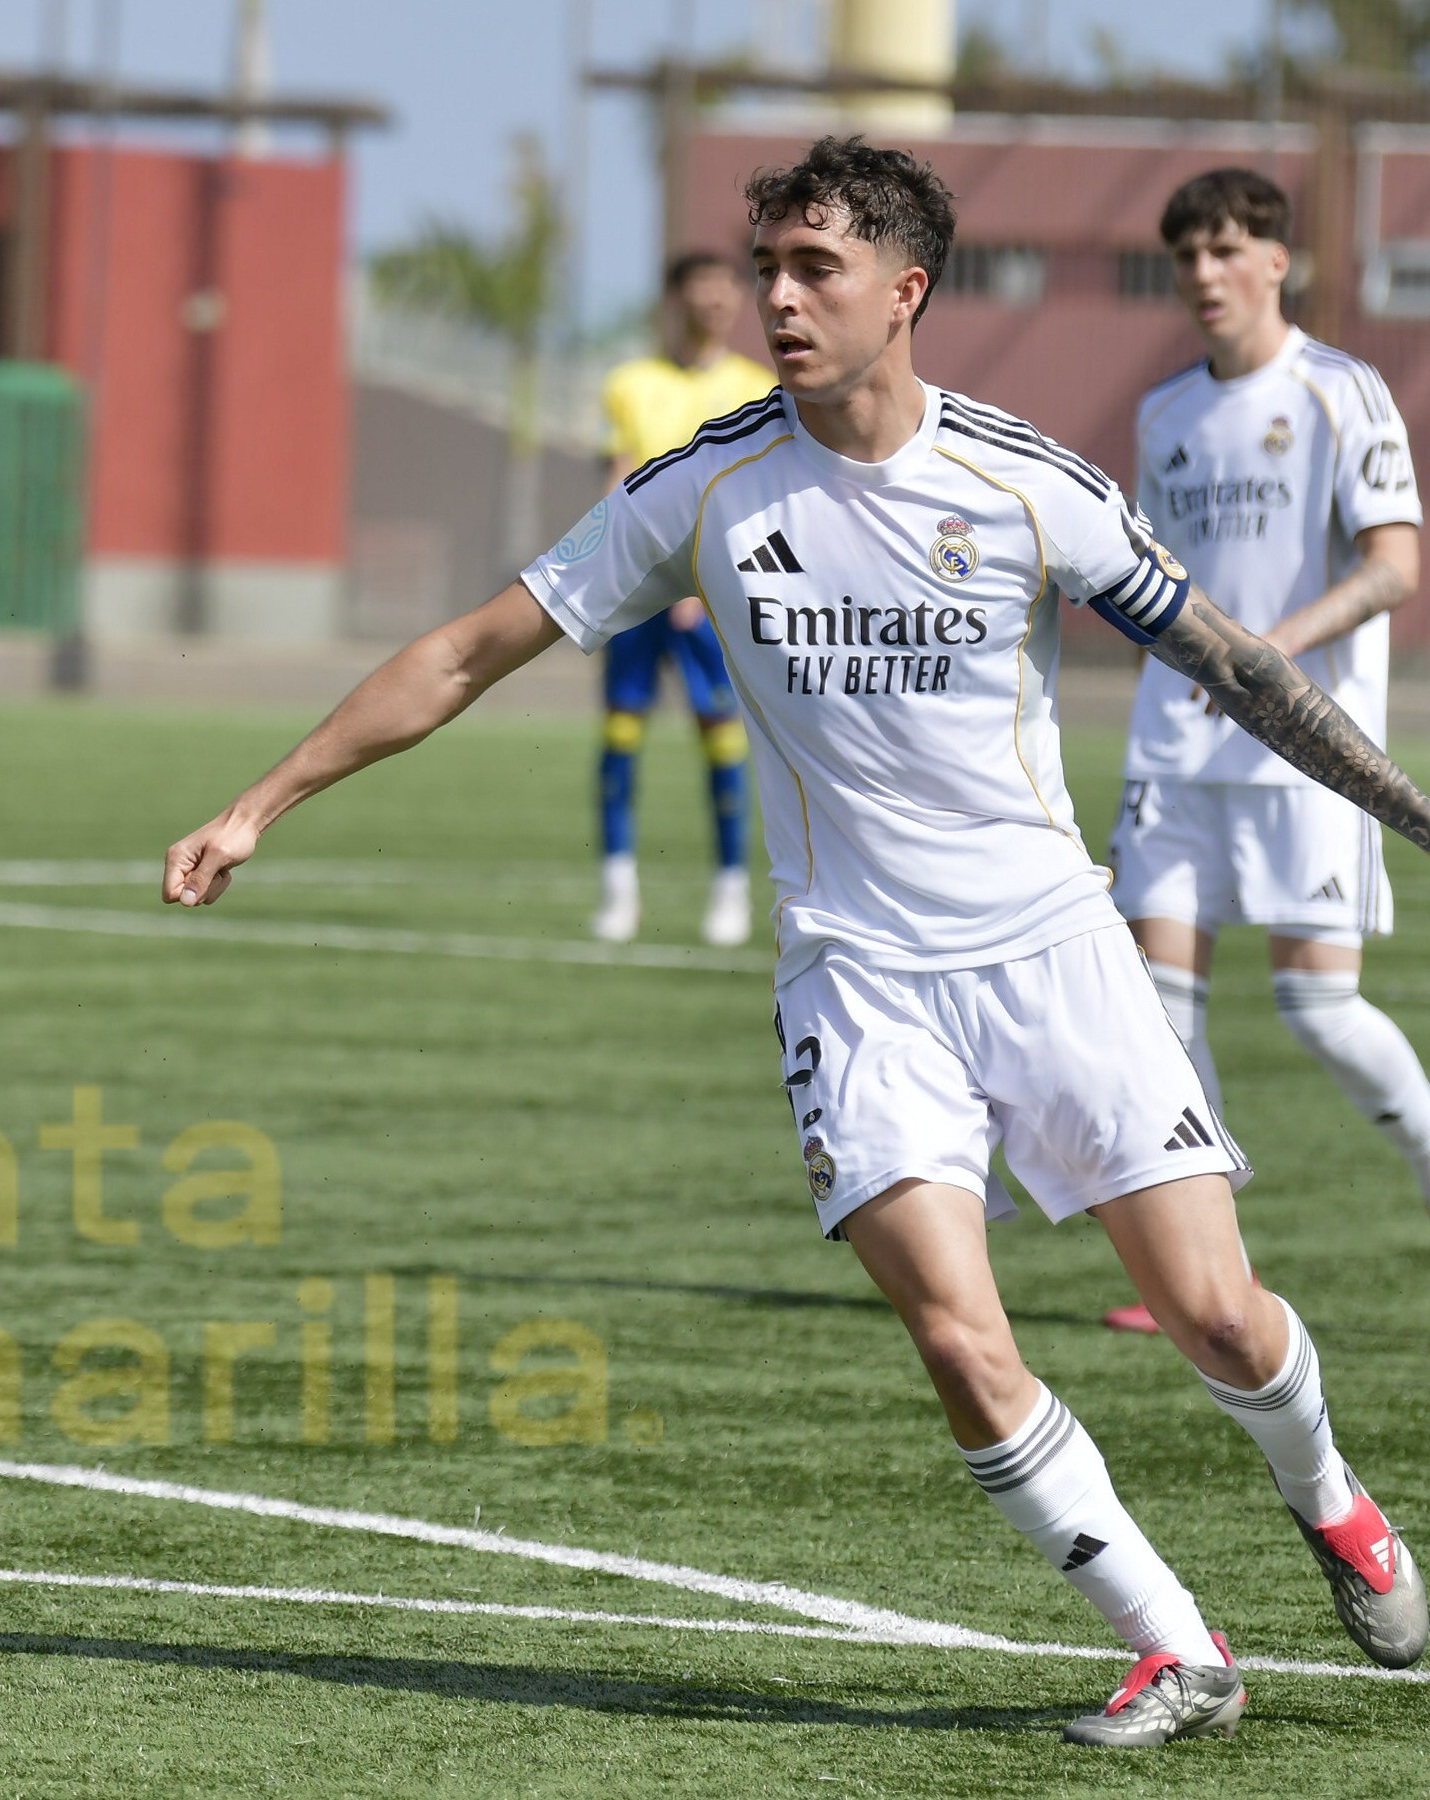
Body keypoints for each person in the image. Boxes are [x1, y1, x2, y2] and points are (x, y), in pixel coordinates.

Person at [161, 136, 1428, 1746]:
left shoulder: (1026, 480)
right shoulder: (705, 483)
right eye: (766, 266)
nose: (776, 297)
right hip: (857, 975)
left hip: (1055, 952)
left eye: (813, 267)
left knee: (1220, 1317)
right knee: (961, 1342)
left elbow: (1236, 662)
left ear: (906, 291)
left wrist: (1412, 814)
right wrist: (264, 800)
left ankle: (1331, 1499)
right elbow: (471, 649)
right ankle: (1179, 1647)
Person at [1099, 169, 1429, 1339]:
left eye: (1224, 250)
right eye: (1184, 254)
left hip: (1303, 751)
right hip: (1172, 750)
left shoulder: (1342, 392)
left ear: (1275, 262)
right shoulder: (1160, 417)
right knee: (1156, 1006)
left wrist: (1267, 654)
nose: (1201, 274)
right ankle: (1201, 1271)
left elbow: (1395, 564)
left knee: (1316, 1007)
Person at [591, 252, 774, 945]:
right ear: (676, 300)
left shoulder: (757, 387)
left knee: (720, 740)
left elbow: (748, 497)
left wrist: (703, 579)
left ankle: (729, 891)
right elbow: (619, 479)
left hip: (714, 596)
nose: (715, 303)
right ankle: (618, 891)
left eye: (726, 291)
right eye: (701, 291)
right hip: (639, 594)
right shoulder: (628, 384)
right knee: (620, 736)